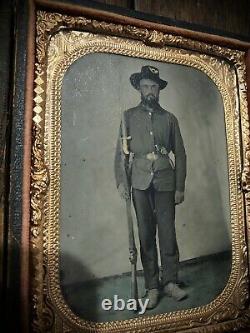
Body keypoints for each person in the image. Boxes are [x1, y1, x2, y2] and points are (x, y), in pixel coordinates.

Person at [114, 65, 187, 309]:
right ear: (139, 88)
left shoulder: (169, 119)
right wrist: (123, 183)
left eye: (154, 86)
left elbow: (182, 155)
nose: (150, 91)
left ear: (159, 90)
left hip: (166, 181)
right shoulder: (127, 117)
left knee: (168, 233)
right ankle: (152, 286)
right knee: (146, 235)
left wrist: (179, 187)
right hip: (139, 183)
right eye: (145, 86)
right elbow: (120, 156)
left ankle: (171, 282)